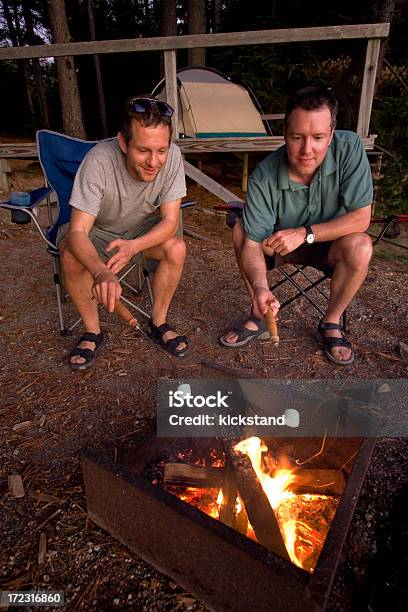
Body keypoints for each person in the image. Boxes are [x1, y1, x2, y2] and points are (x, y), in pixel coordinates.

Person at [220, 86, 373, 365]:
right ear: (284, 134)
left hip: (331, 244)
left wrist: (306, 234)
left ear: (332, 134)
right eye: (297, 137)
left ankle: (331, 322)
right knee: (242, 230)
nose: (307, 149)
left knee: (361, 244)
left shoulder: (350, 148)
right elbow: (253, 243)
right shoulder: (264, 175)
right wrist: (259, 286)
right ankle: (260, 310)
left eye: (318, 138)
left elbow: (361, 218)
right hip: (280, 244)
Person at [58, 96, 189, 370]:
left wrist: (134, 246)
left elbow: (169, 221)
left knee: (176, 247)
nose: (154, 162)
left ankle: (158, 321)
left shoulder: (174, 156)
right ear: (122, 142)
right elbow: (78, 231)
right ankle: (93, 331)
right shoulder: (99, 161)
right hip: (99, 231)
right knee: (70, 253)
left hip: (140, 231)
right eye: (143, 150)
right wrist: (101, 272)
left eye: (161, 150)